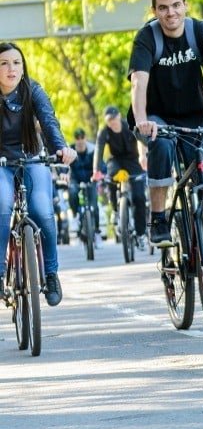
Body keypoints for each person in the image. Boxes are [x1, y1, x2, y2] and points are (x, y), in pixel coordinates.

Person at [128, 0, 203, 247]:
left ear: (185, 6)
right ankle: (158, 219)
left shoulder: (198, 32)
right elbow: (138, 81)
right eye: (164, 8)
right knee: (163, 143)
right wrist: (142, 120)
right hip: (157, 118)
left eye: (176, 5)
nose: (171, 13)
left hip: (195, 121)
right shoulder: (148, 37)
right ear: (155, 11)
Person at [0, 42, 76, 305]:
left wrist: (62, 149)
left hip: (32, 157)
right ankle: (0, 275)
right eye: (4, 63)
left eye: (17, 63)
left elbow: (49, 121)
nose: (12, 68)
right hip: (0, 164)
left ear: (23, 66)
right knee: (2, 205)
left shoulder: (33, 90)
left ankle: (51, 274)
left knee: (43, 210)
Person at [93, 106, 147, 246]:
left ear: (119, 117)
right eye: (109, 121)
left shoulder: (129, 125)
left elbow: (143, 141)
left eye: (114, 119)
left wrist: (146, 156)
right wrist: (96, 170)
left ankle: (141, 234)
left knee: (139, 198)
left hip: (133, 161)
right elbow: (98, 150)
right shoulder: (104, 132)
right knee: (109, 177)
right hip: (116, 161)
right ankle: (116, 211)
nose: (112, 123)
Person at [68, 128, 102, 245]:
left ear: (85, 138)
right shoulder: (70, 150)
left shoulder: (93, 150)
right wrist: (62, 174)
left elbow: (101, 164)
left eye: (82, 138)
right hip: (75, 179)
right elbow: (63, 165)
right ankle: (75, 216)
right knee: (72, 192)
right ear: (75, 139)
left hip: (91, 179)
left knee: (94, 206)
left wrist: (101, 174)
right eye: (77, 138)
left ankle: (97, 233)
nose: (80, 141)